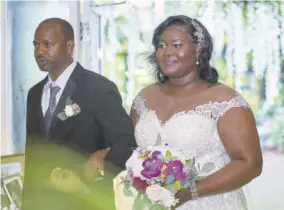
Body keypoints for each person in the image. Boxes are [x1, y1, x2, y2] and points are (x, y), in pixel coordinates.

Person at [127, 15, 262, 209]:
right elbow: (131, 151)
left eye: (176, 45)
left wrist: (191, 192)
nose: (167, 52)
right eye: (161, 45)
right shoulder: (144, 97)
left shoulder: (225, 100)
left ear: (198, 49)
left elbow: (250, 164)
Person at [23, 18, 137, 210]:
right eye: (36, 45)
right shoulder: (34, 94)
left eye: (47, 44)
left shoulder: (99, 88)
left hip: (86, 200)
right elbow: (33, 153)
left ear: (69, 47)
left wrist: (90, 172)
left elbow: (126, 144)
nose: (39, 51)